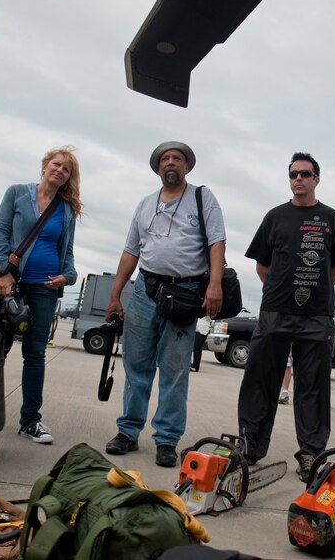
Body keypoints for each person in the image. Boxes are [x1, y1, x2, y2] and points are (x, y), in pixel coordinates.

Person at [104, 142, 226, 467]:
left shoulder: (203, 198)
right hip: (145, 290)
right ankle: (128, 432)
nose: (171, 163)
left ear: (187, 167)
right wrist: (116, 294)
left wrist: (214, 284)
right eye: (165, 159)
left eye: (177, 159)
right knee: (136, 363)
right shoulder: (145, 204)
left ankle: (167, 439)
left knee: (174, 370)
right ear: (158, 167)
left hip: (184, 294)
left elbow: (217, 241)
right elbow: (131, 250)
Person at [237, 152, 335, 481]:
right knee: (261, 380)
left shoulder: (332, 219)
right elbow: (262, 266)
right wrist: (280, 289)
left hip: (316, 317)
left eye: (305, 174)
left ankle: (311, 454)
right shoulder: (275, 216)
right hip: (275, 311)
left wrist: (311, 290)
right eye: (293, 174)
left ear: (317, 179)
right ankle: (251, 445)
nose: (298, 179)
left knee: (313, 387)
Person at [0, 146, 81, 445]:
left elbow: (66, 252)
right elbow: (0, 235)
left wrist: (68, 276)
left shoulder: (66, 210)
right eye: (56, 164)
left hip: (45, 289)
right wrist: (4, 271)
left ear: (69, 178)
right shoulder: (16, 193)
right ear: (45, 165)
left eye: (66, 169)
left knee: (35, 353)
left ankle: (30, 420)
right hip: (12, 284)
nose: (59, 170)